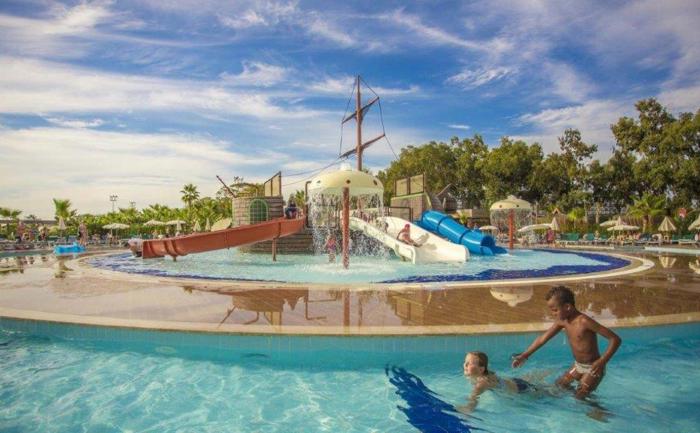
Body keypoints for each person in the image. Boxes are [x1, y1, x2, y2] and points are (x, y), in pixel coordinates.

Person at [512, 286, 621, 399]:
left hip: (593, 368)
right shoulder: (562, 321)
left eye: (555, 310)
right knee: (559, 385)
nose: (552, 313)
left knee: (580, 397)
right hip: (578, 365)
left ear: (567, 307)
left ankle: (597, 409)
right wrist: (525, 355)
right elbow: (543, 338)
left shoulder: (584, 322)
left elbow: (615, 339)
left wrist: (602, 361)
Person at [461, 351, 536, 413]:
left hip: (521, 389)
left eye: (470, 363)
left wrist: (465, 409)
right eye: (465, 361)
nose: (465, 364)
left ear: (481, 369)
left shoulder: (482, 383)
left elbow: (472, 402)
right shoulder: (484, 373)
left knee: (540, 392)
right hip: (513, 382)